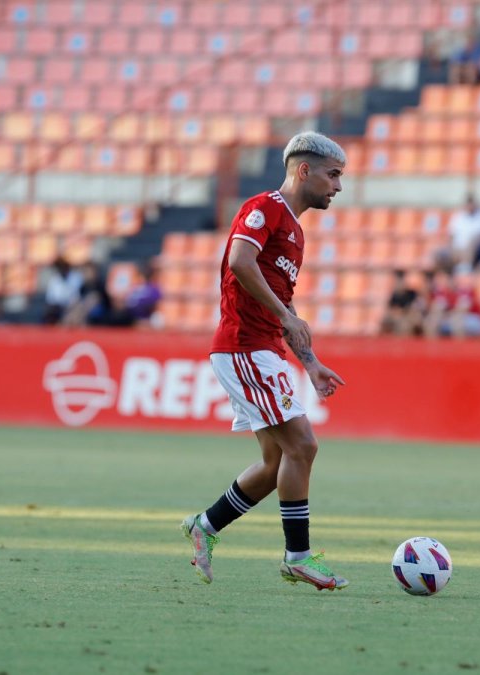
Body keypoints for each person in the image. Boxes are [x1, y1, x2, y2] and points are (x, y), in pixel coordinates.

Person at [181, 131, 349, 590]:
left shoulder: (295, 232)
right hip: (245, 345)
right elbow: (240, 260)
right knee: (303, 447)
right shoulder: (266, 207)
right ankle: (298, 557)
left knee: (277, 464)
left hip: (264, 348)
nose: (338, 186)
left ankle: (204, 526)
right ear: (304, 170)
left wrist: (310, 362)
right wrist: (283, 316)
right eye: (333, 175)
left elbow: (284, 304)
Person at [436, 193, 480, 274]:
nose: (470, 206)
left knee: (472, 242)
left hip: (476, 250)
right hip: (458, 249)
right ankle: (443, 274)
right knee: (438, 252)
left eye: (471, 204)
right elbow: (451, 235)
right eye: (468, 204)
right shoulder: (458, 216)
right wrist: (449, 246)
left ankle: (466, 267)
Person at [423, 270, 480, 338]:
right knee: (439, 313)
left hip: (471, 318)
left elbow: (474, 307)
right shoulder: (445, 291)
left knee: (459, 316)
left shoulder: (471, 291)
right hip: (451, 317)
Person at [40, 255, 82, 325]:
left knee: (76, 308)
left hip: (72, 306)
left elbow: (76, 296)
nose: (62, 269)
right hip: (58, 307)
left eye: (63, 266)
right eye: (60, 267)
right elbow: (51, 299)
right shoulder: (54, 280)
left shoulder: (76, 277)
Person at [381, 269, 422, 336]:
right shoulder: (394, 295)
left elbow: (417, 306)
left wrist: (404, 311)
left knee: (409, 320)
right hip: (398, 317)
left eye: (400, 281)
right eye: (397, 281)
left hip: (409, 316)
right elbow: (391, 308)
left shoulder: (411, 294)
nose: (399, 284)